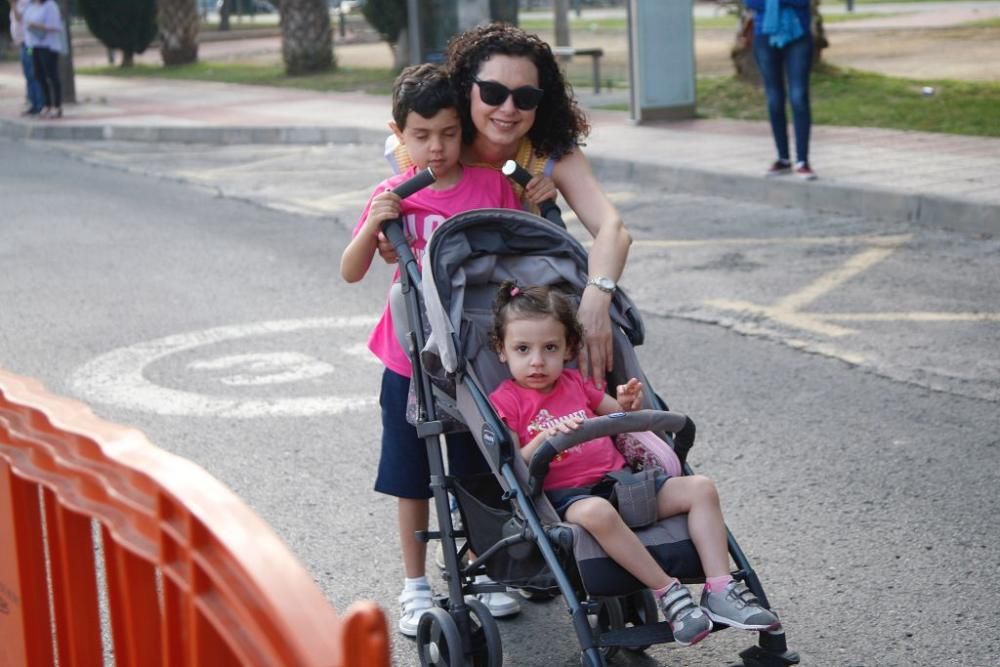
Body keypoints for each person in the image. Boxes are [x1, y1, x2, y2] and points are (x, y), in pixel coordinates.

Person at [487, 282, 780, 647]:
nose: (536, 360)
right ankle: (668, 593)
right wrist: (546, 437)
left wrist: (627, 403)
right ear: (502, 351)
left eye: (550, 348)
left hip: (622, 484)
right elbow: (514, 462)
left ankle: (720, 588)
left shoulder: (576, 384)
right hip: (567, 498)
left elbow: (623, 420)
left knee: (700, 487)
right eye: (522, 349)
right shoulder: (507, 401)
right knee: (597, 512)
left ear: (567, 349)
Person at [340, 63, 524, 637]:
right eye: (421, 136)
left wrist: (533, 194)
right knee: (412, 474)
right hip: (408, 358)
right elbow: (350, 272)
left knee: (478, 468)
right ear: (399, 134)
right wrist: (375, 224)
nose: (436, 147)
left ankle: (482, 570)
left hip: (473, 357)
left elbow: (519, 257)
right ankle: (415, 585)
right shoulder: (393, 194)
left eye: (447, 133)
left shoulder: (490, 186)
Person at [381, 23, 632, 391]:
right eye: (494, 92)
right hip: (433, 323)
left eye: (525, 97)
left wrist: (596, 298)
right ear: (467, 88)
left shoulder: (547, 153)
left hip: (510, 341)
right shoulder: (438, 144)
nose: (508, 109)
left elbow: (613, 229)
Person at [745, 0, 817, 180]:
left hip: (798, 33)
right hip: (764, 35)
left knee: (798, 96)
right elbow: (751, 2)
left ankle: (802, 161)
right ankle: (783, 159)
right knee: (774, 98)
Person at [23, 0, 64, 120]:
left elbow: (55, 26)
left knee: (51, 75)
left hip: (48, 46)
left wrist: (36, 26)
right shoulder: (30, 6)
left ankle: (57, 105)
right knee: (38, 75)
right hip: (33, 45)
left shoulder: (50, 6)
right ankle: (47, 104)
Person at [9, 0, 45, 116]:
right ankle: (32, 103)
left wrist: (13, 4)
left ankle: (39, 104)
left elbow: (19, 18)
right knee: (28, 74)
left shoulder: (26, 3)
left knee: (32, 72)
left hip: (29, 44)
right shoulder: (19, 4)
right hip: (23, 44)